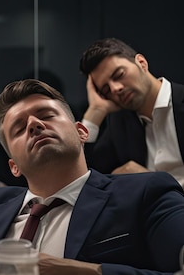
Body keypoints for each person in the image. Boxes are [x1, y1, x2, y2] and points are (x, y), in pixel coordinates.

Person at [0, 79, 184, 275]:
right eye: (19, 129)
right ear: (14, 167)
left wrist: (93, 274)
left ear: (82, 132)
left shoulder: (146, 192)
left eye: (47, 116)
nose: (34, 125)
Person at [79, 37, 184, 187]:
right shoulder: (120, 123)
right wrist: (96, 111)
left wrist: (153, 182)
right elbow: (83, 176)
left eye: (119, 75)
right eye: (106, 90)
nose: (115, 89)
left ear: (142, 63)